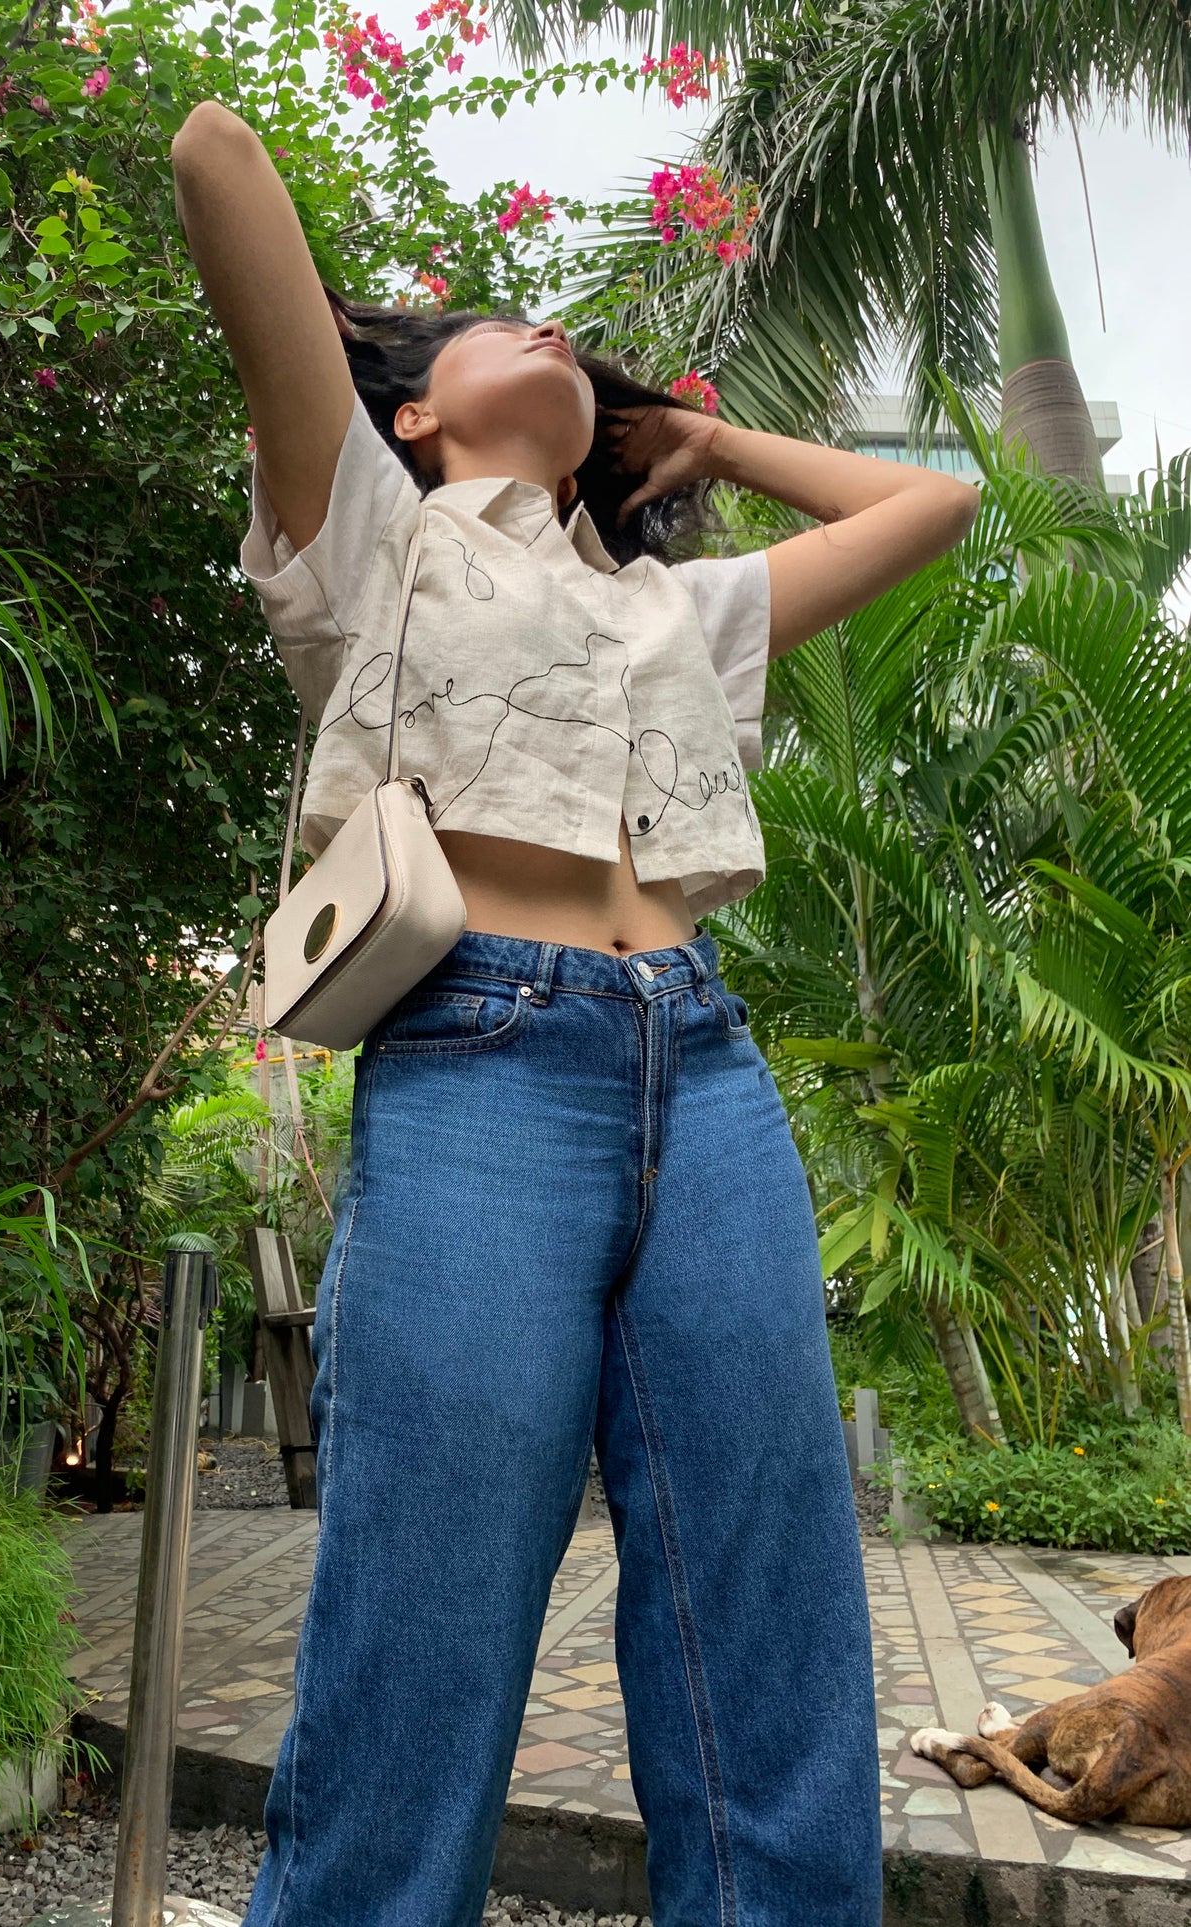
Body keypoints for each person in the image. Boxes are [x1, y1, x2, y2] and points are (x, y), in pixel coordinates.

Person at [171, 99, 978, 1927]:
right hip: (477, 1062)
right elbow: (218, 156)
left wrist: (697, 434)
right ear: (407, 409)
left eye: (563, 339)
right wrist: (387, 354)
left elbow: (933, 500)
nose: (538, 330)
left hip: (707, 1066)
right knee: (429, 1593)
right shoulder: (362, 531)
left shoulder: (677, 609)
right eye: (482, 333)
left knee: (764, 1593)